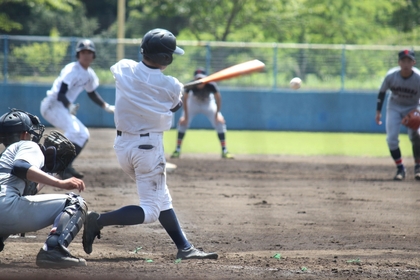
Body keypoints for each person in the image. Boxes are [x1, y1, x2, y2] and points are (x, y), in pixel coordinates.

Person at [82, 28, 218, 260]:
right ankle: (99, 220)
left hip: (123, 147)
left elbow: (146, 83)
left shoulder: (123, 67)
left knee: (161, 197)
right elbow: (175, 105)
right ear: (166, 58)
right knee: (151, 210)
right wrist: (181, 89)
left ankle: (184, 247)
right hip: (148, 150)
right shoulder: (172, 85)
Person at [0, 109, 88, 268]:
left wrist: (49, 173)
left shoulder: (4, 156)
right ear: (24, 134)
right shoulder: (27, 145)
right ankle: (52, 250)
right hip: (6, 209)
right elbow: (20, 167)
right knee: (74, 202)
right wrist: (60, 183)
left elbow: (29, 193)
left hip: (5, 208)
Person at [40, 39, 115, 180]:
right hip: (52, 106)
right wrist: (69, 106)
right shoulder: (71, 70)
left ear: (94, 55)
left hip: (63, 108)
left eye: (89, 52)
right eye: (83, 52)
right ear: (78, 54)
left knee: (83, 134)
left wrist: (106, 106)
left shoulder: (89, 74)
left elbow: (91, 92)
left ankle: (65, 167)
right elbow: (61, 93)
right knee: (74, 131)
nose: (86, 55)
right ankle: (48, 162)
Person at [375, 49, 420, 181]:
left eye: (409, 61)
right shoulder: (391, 76)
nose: (406, 64)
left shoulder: (418, 77)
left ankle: (418, 167)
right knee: (392, 138)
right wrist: (378, 111)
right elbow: (382, 92)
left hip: (413, 107)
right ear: (399, 62)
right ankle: (400, 168)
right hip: (394, 107)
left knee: (416, 135)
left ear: (414, 62)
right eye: (403, 61)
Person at [170, 68, 234, 159]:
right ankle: (177, 150)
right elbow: (186, 99)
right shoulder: (191, 85)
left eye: (201, 79)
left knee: (220, 123)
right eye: (197, 79)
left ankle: (224, 151)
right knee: (182, 123)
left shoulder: (211, 85)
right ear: (194, 79)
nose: (199, 81)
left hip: (208, 103)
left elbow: (218, 98)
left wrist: (217, 114)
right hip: (193, 103)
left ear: (206, 78)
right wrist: (185, 117)